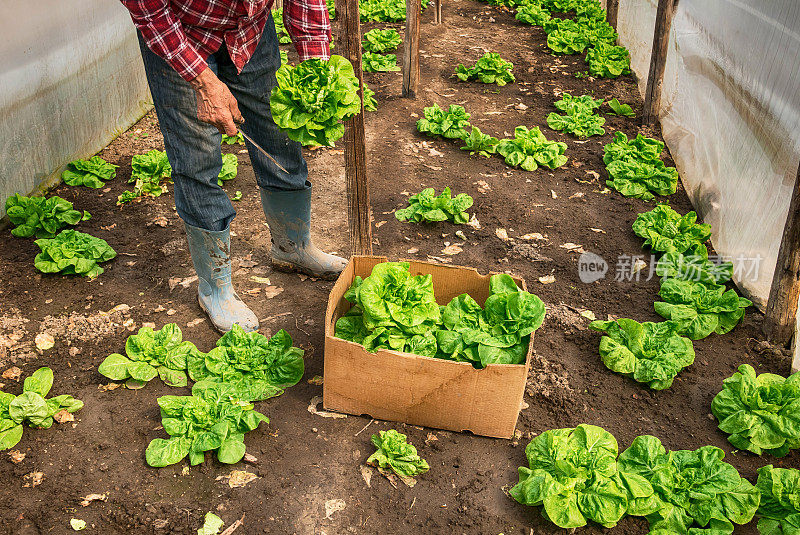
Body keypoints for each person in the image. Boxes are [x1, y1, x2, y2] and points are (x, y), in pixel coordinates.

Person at [119, 0, 346, 334]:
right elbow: (148, 8)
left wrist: (317, 72)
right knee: (197, 155)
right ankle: (215, 290)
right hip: (180, 32)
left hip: (249, 32)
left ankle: (292, 248)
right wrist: (204, 83)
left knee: (277, 132)